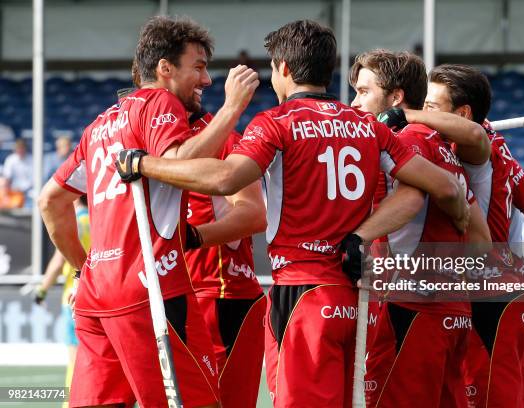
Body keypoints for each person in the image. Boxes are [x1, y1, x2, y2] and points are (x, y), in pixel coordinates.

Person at [116, 20, 470, 407]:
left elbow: (225, 179)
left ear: (283, 68)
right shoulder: (368, 126)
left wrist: (144, 165)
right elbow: (442, 188)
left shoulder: (276, 122)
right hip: (358, 299)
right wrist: (361, 236)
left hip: (302, 294)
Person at [38, 15, 258, 408]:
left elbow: (50, 201)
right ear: (165, 69)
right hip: (153, 288)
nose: (206, 79)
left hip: (95, 296)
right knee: (199, 403)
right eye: (199, 67)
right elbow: (180, 161)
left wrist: (83, 268)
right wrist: (233, 108)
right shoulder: (159, 102)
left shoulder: (99, 124)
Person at [348, 49, 492, 408]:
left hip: (411, 311)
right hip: (450, 312)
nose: (354, 103)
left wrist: (358, 240)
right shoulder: (439, 147)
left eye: (363, 92)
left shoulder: (407, 141)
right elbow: (481, 241)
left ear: (395, 98)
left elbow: (414, 199)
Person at [425, 64, 524, 408]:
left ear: (463, 114)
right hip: (511, 293)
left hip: (488, 297)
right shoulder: (498, 152)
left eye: (431, 107)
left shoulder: (479, 152)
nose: (423, 113)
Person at [185, 110, 267, 408]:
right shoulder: (153, 141)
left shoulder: (225, 140)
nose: (205, 79)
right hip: (171, 296)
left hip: (221, 297)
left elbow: (255, 214)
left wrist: (192, 237)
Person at [34, 196, 89, 408]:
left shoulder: (77, 224)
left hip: (74, 297)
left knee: (74, 359)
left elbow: (58, 261)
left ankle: (71, 404)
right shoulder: (98, 220)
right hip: (99, 297)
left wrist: (41, 290)